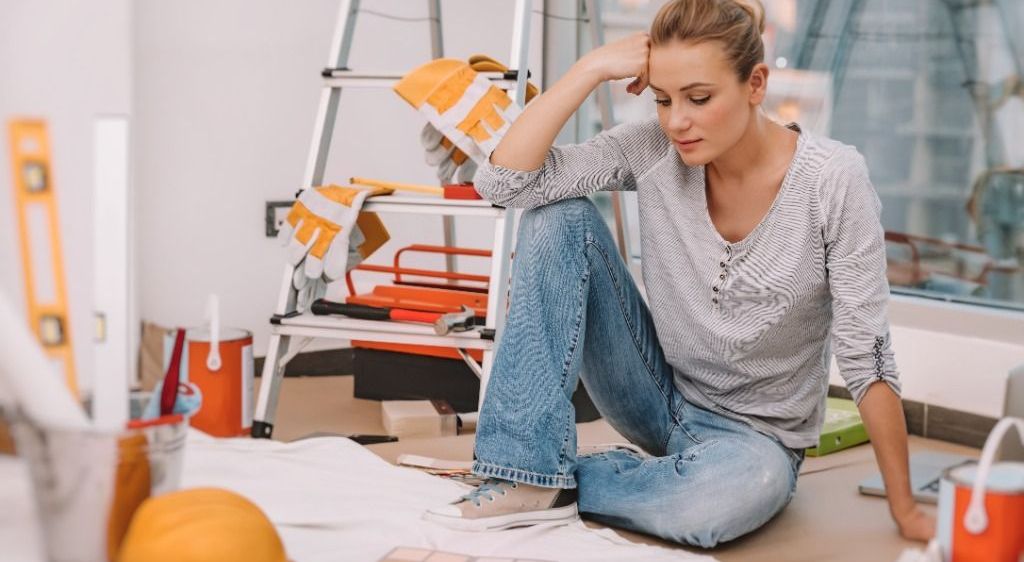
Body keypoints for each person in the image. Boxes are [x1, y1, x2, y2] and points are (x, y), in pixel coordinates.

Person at [424, 0, 935, 548]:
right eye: (664, 100)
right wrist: (590, 68)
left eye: (699, 98)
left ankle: (556, 480)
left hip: (757, 443)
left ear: (755, 84)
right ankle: (527, 473)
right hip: (655, 395)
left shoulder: (833, 181)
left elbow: (868, 356)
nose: (676, 122)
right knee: (558, 215)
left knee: (716, 506)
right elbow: (504, 185)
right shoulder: (654, 148)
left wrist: (904, 509)